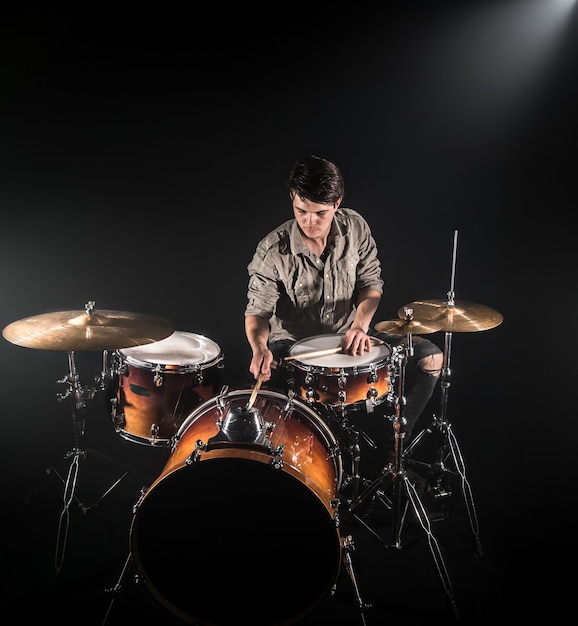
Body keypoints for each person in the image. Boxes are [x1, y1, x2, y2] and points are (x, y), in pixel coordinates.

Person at [243, 154, 443, 472]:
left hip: (348, 330)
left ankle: (391, 455)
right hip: (292, 345)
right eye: (301, 211)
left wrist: (361, 326)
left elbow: (371, 285)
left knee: (431, 358)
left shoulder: (356, 227)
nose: (309, 222)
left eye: (320, 213)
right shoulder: (272, 249)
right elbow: (258, 312)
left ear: (337, 203)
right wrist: (259, 347)